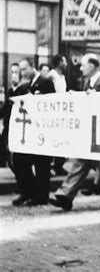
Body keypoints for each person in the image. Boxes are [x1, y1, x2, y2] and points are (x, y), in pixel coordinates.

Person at [49, 53, 100, 211]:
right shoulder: (86, 83)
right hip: (88, 130)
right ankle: (66, 195)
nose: (80, 68)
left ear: (92, 66)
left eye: (83, 65)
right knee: (81, 162)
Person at [11, 58, 55, 206]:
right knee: (19, 159)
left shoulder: (45, 82)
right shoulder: (27, 85)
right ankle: (28, 191)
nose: (22, 73)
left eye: (24, 69)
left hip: (42, 129)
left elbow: (51, 103)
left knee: (42, 165)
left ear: (32, 67)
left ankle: (41, 196)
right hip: (30, 131)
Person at [0, 63, 28, 170]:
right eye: (12, 72)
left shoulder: (23, 89)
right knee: (4, 148)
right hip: (8, 125)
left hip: (17, 125)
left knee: (12, 151)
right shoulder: (11, 90)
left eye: (16, 72)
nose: (13, 75)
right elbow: (5, 108)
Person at [48, 54, 68, 176]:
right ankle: (49, 166)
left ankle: (59, 165)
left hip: (62, 111)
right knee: (52, 138)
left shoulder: (63, 77)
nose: (66, 63)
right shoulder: (52, 75)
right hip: (53, 111)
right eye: (64, 61)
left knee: (61, 138)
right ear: (60, 62)